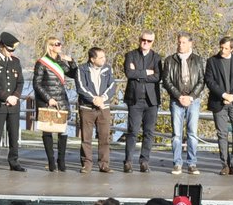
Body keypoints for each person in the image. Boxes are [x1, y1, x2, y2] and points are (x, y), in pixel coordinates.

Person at [31, 35, 76, 173]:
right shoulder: (41, 62)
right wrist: (48, 98)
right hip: (47, 102)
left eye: (60, 44)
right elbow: (37, 83)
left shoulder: (61, 61)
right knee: (48, 132)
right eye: (57, 44)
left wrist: (72, 62)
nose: (59, 46)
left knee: (63, 132)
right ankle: (51, 160)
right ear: (50, 46)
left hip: (61, 100)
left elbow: (74, 74)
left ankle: (61, 160)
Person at [162, 32, 205, 175]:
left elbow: (201, 80)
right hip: (176, 101)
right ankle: (177, 163)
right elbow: (166, 81)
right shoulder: (170, 60)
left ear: (190, 43)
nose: (180, 45)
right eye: (179, 42)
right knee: (176, 134)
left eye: (184, 42)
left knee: (192, 133)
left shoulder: (198, 60)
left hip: (193, 101)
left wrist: (191, 97)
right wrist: (179, 96)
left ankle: (192, 163)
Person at [204, 36, 233, 175]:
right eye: (221, 47)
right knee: (222, 134)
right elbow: (209, 81)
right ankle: (225, 165)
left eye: (226, 48)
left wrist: (232, 96)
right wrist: (224, 95)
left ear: (232, 49)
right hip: (219, 102)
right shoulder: (212, 61)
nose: (223, 50)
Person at [0, 31, 25, 173]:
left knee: (14, 135)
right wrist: (6, 97)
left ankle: (14, 161)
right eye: (8, 49)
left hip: (14, 105)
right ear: (1, 45)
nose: (10, 52)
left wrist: (15, 96)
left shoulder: (16, 61)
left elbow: (20, 82)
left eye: (12, 50)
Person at [123, 30, 162, 173]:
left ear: (153, 42)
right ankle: (128, 161)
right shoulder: (130, 55)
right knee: (132, 131)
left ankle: (144, 161)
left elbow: (158, 77)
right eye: (143, 40)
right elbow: (129, 73)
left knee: (149, 132)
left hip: (151, 101)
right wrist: (146, 72)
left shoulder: (157, 58)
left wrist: (138, 73)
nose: (145, 42)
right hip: (135, 99)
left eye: (149, 41)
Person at [75, 46, 115, 173]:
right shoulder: (81, 69)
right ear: (92, 59)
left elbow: (112, 85)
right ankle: (87, 163)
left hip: (104, 108)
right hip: (87, 108)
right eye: (101, 57)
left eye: (104, 56)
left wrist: (102, 98)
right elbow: (81, 87)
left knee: (104, 137)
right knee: (86, 138)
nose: (104, 59)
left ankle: (104, 164)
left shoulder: (108, 69)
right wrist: (94, 99)